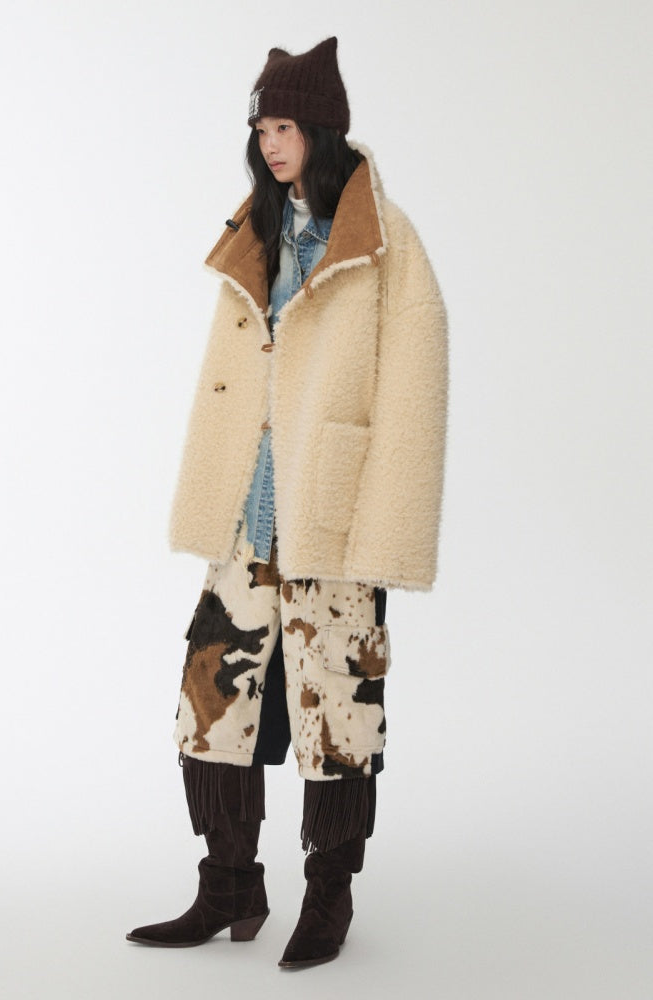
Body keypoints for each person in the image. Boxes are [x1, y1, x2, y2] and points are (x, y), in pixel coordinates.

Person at [126, 36, 448, 969]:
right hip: (249, 515)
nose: (270, 144)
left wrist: (387, 528)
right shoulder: (258, 229)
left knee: (338, 712)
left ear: (324, 129)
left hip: (333, 519)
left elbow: (414, 395)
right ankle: (228, 885)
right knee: (211, 699)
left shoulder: (382, 240)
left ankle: (328, 897)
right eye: (261, 127)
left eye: (286, 126)